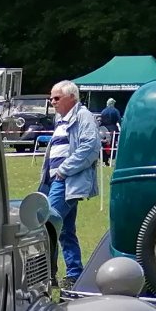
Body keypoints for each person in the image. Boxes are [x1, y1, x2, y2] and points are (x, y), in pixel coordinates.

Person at [37, 80, 101, 289]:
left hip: (66, 181)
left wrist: (63, 171)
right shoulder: (61, 119)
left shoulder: (83, 116)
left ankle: (48, 276)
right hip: (53, 180)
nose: (52, 101)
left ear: (72, 97)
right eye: (51, 97)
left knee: (47, 225)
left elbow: (90, 147)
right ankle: (74, 274)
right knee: (65, 230)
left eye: (56, 98)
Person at [98, 96, 122, 165]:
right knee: (112, 145)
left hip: (104, 130)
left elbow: (100, 120)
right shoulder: (115, 111)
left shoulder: (103, 111)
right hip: (113, 129)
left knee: (105, 144)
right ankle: (111, 158)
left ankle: (104, 159)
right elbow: (119, 120)